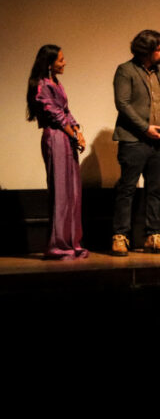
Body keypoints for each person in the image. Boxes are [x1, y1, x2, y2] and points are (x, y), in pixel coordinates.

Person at [112, 29, 160, 255]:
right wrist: (145, 128)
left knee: (154, 190)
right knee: (127, 190)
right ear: (147, 51)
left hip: (157, 142)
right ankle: (120, 236)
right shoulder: (125, 70)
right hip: (133, 141)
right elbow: (123, 104)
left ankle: (153, 236)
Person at [27, 45, 87, 259]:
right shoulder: (42, 86)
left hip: (66, 137)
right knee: (60, 193)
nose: (64, 63)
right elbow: (56, 116)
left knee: (72, 192)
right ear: (50, 64)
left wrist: (78, 131)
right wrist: (73, 134)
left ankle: (72, 242)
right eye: (60, 60)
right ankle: (57, 245)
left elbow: (66, 112)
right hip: (55, 138)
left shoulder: (57, 84)